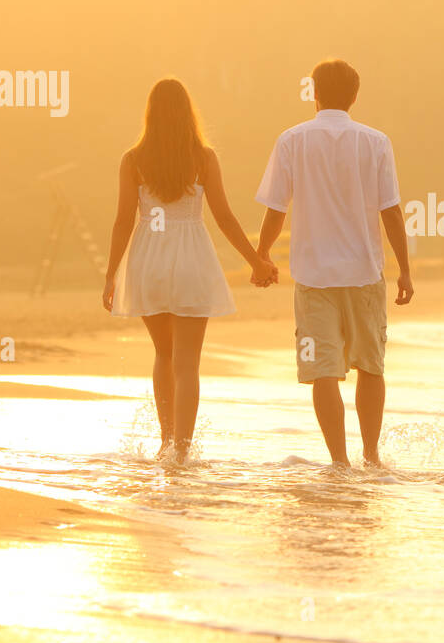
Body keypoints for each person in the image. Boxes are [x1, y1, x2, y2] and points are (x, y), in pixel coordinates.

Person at [103, 77, 277, 464]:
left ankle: (165, 444)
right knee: (187, 363)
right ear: (188, 114)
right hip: (191, 259)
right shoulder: (203, 157)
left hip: (148, 258)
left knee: (163, 354)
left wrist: (110, 274)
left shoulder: (133, 160)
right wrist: (257, 262)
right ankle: (181, 449)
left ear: (150, 114)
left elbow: (121, 222)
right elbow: (225, 218)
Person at [254, 59, 413, 467]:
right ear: (355, 96)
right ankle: (372, 457)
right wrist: (405, 271)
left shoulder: (292, 140)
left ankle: (340, 462)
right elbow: (391, 211)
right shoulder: (376, 142)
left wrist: (262, 254)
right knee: (370, 366)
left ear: (315, 93)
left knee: (323, 370)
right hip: (364, 273)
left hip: (313, 276)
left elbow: (276, 208)